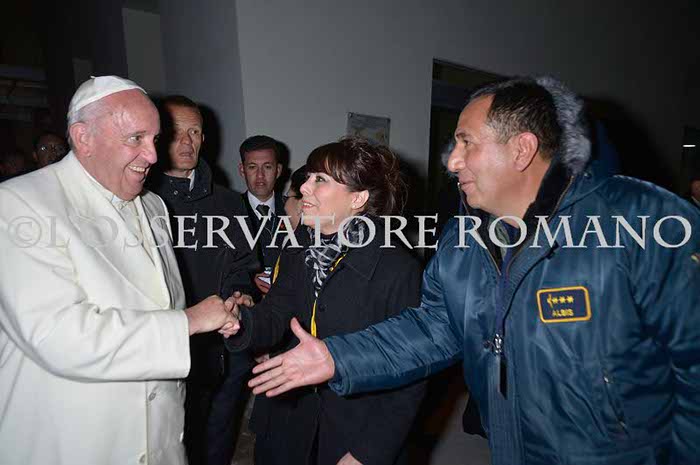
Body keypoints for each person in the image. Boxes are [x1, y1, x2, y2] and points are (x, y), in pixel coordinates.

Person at [248, 77, 700, 465]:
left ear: (522, 149)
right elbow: (431, 330)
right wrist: (338, 357)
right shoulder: (462, 241)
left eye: (466, 143)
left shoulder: (645, 222)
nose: (452, 161)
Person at [0, 76, 241, 465]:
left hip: (160, 441)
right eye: (136, 139)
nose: (153, 155)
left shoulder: (154, 206)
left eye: (155, 139)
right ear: (84, 138)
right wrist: (189, 322)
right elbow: (58, 336)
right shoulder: (19, 205)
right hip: (75, 442)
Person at [227, 138, 426, 465]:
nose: (304, 187)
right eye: (308, 177)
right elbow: (276, 311)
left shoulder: (397, 269)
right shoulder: (301, 246)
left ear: (357, 198)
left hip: (356, 428)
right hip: (293, 417)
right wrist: (238, 320)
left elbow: (411, 375)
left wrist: (367, 453)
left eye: (320, 179)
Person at [147, 95, 257, 465]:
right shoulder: (140, 201)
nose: (186, 142)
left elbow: (243, 266)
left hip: (222, 348)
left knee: (218, 436)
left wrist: (241, 295)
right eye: (176, 132)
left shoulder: (229, 202)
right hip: (164, 348)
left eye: (194, 132)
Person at [238, 135, 285, 296]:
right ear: (242, 170)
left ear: (278, 170)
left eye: (267, 167)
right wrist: (248, 279)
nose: (260, 175)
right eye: (252, 167)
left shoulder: (296, 211)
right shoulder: (228, 212)